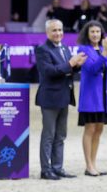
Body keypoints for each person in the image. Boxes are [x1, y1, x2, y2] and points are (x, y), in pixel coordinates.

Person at [35, 19, 85, 180]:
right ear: (47, 33)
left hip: (64, 96)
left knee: (61, 135)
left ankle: (57, 167)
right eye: (54, 30)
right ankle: (45, 169)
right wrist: (71, 63)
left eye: (60, 30)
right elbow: (49, 71)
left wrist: (78, 65)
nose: (58, 33)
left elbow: (67, 69)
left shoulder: (64, 48)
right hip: (50, 98)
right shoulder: (42, 49)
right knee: (48, 135)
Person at [76, 20, 107, 177]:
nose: (95, 34)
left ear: (102, 34)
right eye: (92, 32)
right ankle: (88, 165)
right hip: (90, 98)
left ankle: (93, 164)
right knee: (90, 129)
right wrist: (104, 56)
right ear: (87, 34)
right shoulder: (83, 49)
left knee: (99, 129)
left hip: (103, 98)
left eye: (98, 32)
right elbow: (92, 69)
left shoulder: (103, 49)